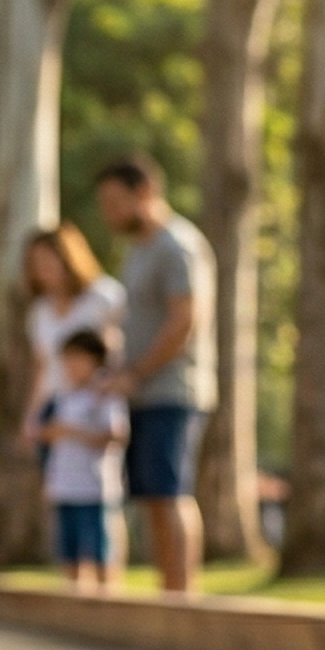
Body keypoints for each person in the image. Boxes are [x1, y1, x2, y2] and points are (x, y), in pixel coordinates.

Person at [94, 154, 217, 594]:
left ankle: (183, 597)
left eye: (114, 201)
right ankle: (168, 594)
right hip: (141, 392)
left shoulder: (177, 245)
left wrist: (138, 372)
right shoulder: (139, 251)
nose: (108, 213)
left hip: (172, 390)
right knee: (150, 497)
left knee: (170, 493)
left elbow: (185, 319)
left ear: (143, 193)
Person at [22, 222, 129, 577]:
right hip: (58, 405)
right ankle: (74, 582)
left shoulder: (104, 296)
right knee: (65, 498)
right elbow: (43, 368)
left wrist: (106, 391)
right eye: (36, 263)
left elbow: (118, 350)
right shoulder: (39, 312)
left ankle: (109, 580)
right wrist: (33, 415)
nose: (44, 270)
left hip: (95, 404)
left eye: (49, 260)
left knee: (101, 500)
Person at [40, 331, 131, 591]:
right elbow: (44, 432)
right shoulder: (62, 397)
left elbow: (117, 435)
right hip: (65, 486)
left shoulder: (105, 395)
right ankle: (74, 599)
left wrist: (72, 432)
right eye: (66, 360)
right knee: (69, 552)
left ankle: (108, 601)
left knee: (102, 550)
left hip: (95, 488)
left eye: (77, 359)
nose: (70, 366)